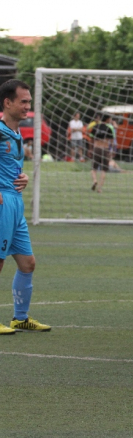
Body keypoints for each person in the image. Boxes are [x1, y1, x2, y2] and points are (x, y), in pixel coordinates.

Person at [0, 79, 50, 334]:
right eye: (23, 101)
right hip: (2, 202)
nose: (28, 106)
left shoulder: (16, 131)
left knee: (27, 263)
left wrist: (24, 177)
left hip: (15, 203)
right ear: (7, 102)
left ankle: (20, 318)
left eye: (29, 101)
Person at [89, 116, 115, 192]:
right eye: (110, 118)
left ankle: (94, 181)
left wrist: (90, 149)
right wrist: (112, 150)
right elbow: (112, 141)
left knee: (93, 169)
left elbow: (91, 139)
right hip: (105, 149)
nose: (111, 120)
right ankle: (99, 188)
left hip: (96, 149)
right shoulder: (109, 128)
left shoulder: (96, 127)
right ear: (107, 119)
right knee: (104, 170)